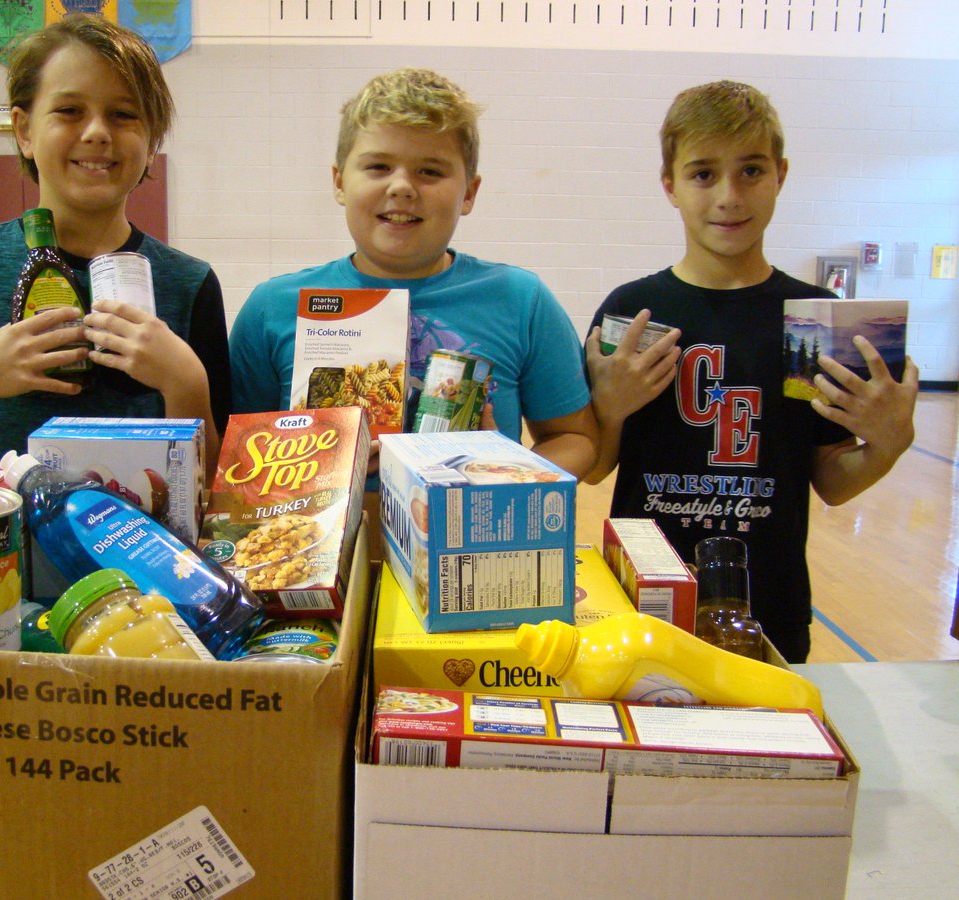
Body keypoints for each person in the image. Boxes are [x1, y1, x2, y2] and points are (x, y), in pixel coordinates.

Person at [583, 80, 919, 662]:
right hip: (642, 601)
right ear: (670, 185)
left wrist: (890, 441)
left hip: (770, 607)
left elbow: (834, 481)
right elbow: (595, 468)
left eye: (752, 171)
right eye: (703, 174)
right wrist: (608, 410)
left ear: (781, 175)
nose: (730, 197)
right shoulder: (633, 310)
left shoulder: (815, 318)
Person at [0, 14, 229, 483]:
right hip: (2, 552)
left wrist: (185, 382)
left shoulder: (189, 284)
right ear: (24, 131)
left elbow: (213, 481)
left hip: (143, 551)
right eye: (70, 111)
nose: (96, 132)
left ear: (152, 142)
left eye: (124, 114)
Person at [229, 67, 597, 481]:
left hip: (466, 540)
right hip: (320, 539)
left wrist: (508, 474)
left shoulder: (520, 300)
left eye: (430, 171)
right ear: (338, 182)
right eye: (378, 166)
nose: (402, 186)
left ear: (469, 193)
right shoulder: (273, 307)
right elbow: (239, 457)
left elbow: (575, 437)